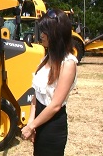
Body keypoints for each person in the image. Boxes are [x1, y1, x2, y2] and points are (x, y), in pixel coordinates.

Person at [21, 9, 78, 156]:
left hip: (53, 125)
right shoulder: (46, 57)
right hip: (39, 120)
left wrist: (31, 126)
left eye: (45, 31)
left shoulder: (68, 63)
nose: (41, 35)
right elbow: (36, 94)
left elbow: (55, 105)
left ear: (56, 34)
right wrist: (31, 123)